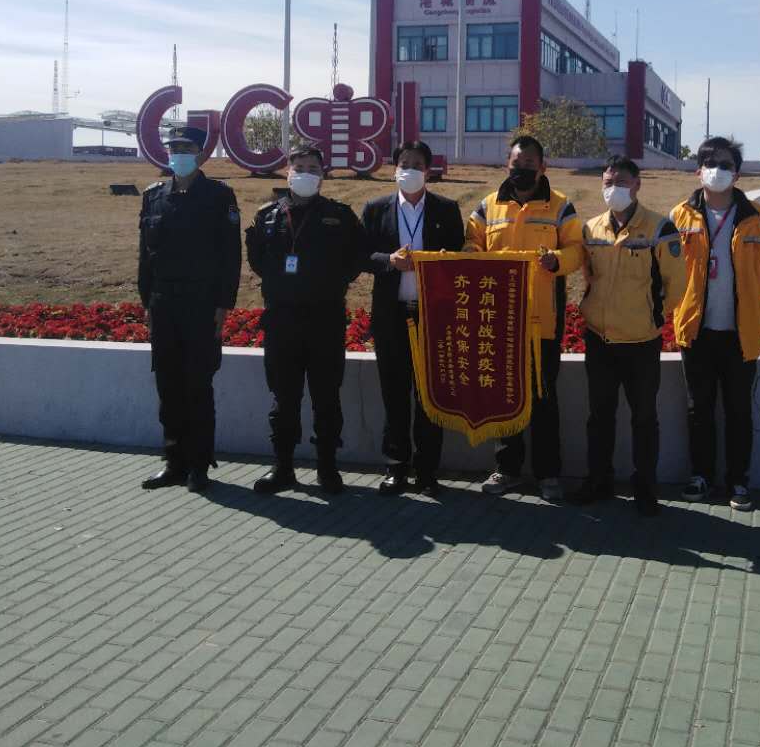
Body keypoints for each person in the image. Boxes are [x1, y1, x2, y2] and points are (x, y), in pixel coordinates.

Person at [465, 134, 584, 501]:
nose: (522, 169)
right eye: (517, 164)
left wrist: (557, 261)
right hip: (499, 319)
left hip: (542, 320)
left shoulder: (560, 206)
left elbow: (577, 250)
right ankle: (507, 469)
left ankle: (548, 474)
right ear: (508, 164)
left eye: (530, 164)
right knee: (505, 396)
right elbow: (471, 243)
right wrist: (473, 254)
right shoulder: (488, 206)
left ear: (542, 167)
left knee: (544, 398)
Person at [246, 146, 367, 495]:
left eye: (313, 168)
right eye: (298, 167)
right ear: (288, 172)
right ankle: (282, 468)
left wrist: (328, 283)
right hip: (282, 319)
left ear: (323, 174)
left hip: (324, 319)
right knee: (283, 397)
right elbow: (258, 260)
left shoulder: (339, 215)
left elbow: (355, 258)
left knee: (326, 397)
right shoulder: (267, 216)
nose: (305, 174)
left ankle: (327, 468)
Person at [572, 155, 687, 516]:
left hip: (641, 342)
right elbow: (588, 275)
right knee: (599, 416)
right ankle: (598, 480)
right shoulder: (591, 229)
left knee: (644, 418)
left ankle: (646, 488)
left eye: (621, 182)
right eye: (608, 183)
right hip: (600, 339)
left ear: (637, 185)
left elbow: (677, 284)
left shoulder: (660, 228)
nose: (614, 189)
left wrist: (653, 317)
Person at [670, 136, 760, 511]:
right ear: (698, 170)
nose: (718, 170)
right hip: (696, 331)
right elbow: (668, 269)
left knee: (738, 410)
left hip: (740, 333)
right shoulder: (679, 216)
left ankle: (738, 480)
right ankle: (700, 475)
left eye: (726, 164)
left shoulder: (759, 219)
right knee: (699, 408)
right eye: (710, 163)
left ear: (738, 173)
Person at [137, 126, 241, 493]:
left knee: (198, 385)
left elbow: (230, 255)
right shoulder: (153, 196)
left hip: (201, 304)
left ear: (199, 152)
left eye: (186, 147)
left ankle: (199, 464)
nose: (178, 153)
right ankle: (174, 462)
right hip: (163, 303)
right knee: (168, 384)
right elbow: (145, 255)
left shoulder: (219, 196)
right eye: (174, 147)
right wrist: (146, 301)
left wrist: (223, 304)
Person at [361, 141, 465, 495]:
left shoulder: (446, 210)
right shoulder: (376, 209)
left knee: (430, 397)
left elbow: (459, 256)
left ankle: (427, 470)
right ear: (394, 169)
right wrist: (388, 261)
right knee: (394, 393)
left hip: (432, 316)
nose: (410, 170)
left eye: (417, 164)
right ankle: (396, 467)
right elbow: (361, 255)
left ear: (428, 170)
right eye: (404, 163)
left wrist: (443, 260)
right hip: (391, 315)